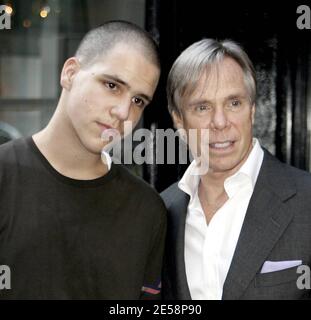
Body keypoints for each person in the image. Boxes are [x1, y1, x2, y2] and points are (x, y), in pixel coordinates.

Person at [0, 21, 166, 299]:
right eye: (112, 85)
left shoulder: (147, 211)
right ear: (70, 73)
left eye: (138, 101)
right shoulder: (5, 177)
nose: (123, 112)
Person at [161, 38, 311, 300]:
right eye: (202, 107)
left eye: (234, 103)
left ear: (252, 110)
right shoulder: (161, 211)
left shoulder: (307, 200)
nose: (219, 122)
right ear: (178, 119)